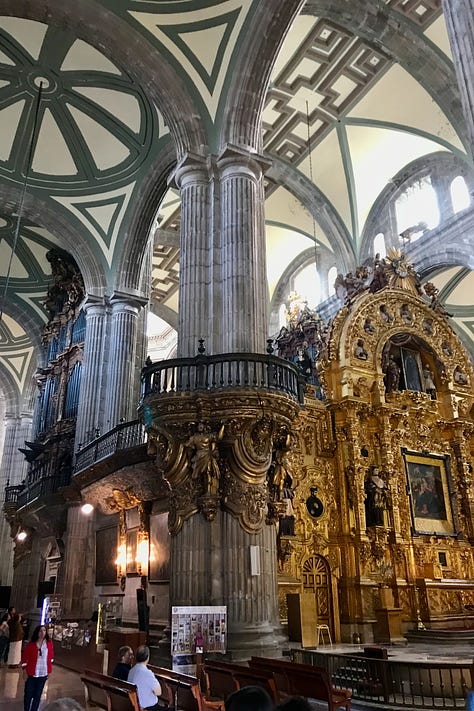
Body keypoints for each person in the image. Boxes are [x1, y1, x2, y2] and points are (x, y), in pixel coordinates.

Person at [21, 624, 54, 711]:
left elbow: (51, 658)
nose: (42, 633)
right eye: (40, 631)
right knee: (28, 694)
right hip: (32, 672)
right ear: (37, 632)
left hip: (43, 673)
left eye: (44, 630)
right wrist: (24, 670)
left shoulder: (49, 644)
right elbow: (24, 658)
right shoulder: (31, 644)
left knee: (38, 694)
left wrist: (49, 671)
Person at [186, 422, 224, 495]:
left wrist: (223, 426)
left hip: (207, 455)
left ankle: (208, 491)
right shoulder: (194, 437)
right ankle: (202, 489)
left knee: (208, 472)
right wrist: (189, 459)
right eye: (199, 425)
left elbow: (219, 437)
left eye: (201, 425)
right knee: (199, 475)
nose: (200, 427)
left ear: (204, 427)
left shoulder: (208, 436)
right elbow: (189, 448)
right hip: (198, 456)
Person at [127, 645, 161, 710]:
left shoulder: (131, 671)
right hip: (149, 708)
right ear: (147, 658)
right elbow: (158, 692)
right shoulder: (148, 673)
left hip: (136, 706)